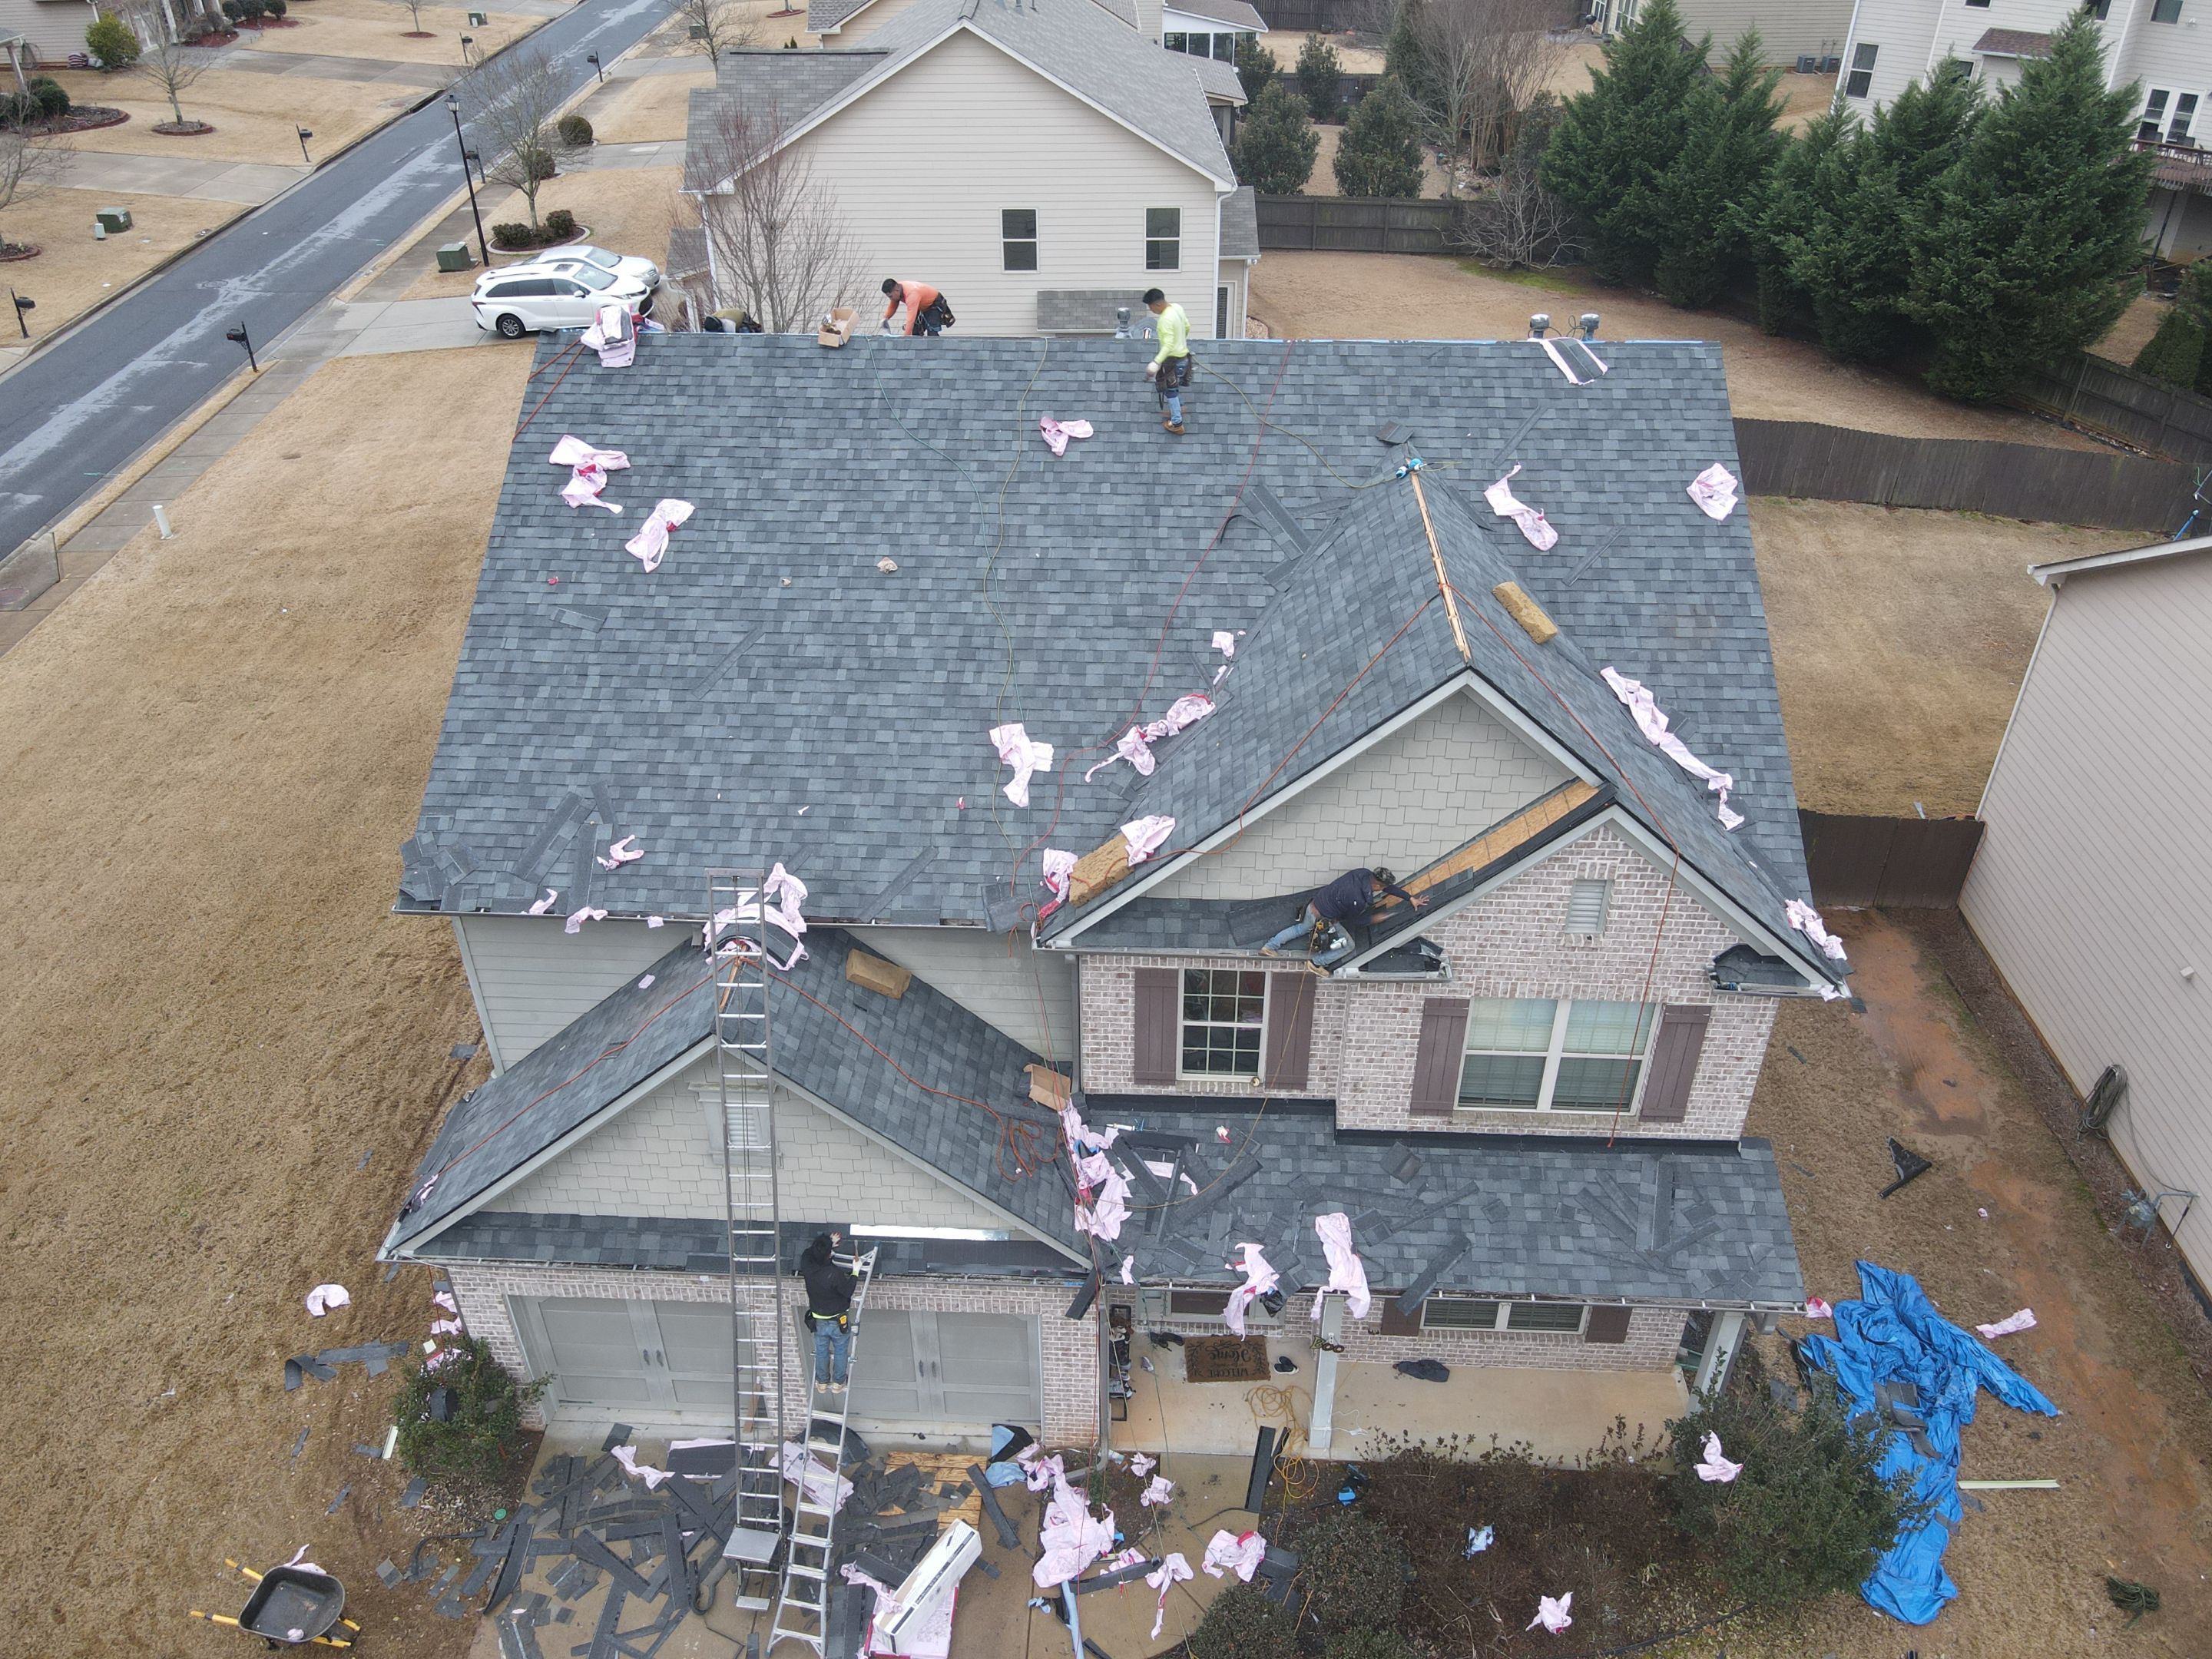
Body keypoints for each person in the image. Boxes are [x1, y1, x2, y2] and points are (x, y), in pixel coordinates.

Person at [1261, 867, 1426, 966]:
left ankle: (1270, 946)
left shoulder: (1363, 873)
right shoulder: (1358, 900)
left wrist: (1409, 897)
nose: (1381, 889)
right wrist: (1373, 919)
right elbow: (1352, 921)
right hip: (1322, 917)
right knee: (1348, 945)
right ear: (1376, 885)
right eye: (1381, 887)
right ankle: (1317, 963)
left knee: (1299, 929)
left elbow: (1388, 888)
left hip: (1314, 904)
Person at [801, 1231, 857, 1393]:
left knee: (822, 1352)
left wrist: (827, 1243)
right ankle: (838, 1383)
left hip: (818, 1321)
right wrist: (855, 1272)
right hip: (837, 1321)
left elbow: (808, 1252)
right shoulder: (833, 1274)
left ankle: (822, 1383)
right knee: (840, 1351)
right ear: (828, 1256)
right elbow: (848, 1291)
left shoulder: (807, 1265)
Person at [1142, 287, 1191, 435]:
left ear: (1157, 305)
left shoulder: (1165, 319)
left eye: (1151, 307)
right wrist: (1180, 341)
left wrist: (1156, 363)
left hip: (1173, 361)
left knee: (1171, 391)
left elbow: (1168, 345)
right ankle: (1179, 407)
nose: (1151, 311)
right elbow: (1187, 327)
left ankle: (1177, 423)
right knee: (1174, 388)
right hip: (1184, 357)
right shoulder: (1177, 308)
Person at [881, 278, 950, 336]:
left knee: (932, 334)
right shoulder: (897, 289)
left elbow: (911, 319)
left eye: (891, 296)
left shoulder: (912, 294)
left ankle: (935, 350)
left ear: (897, 291)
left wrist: (904, 339)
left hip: (934, 304)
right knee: (915, 332)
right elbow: (893, 306)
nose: (891, 299)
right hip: (921, 305)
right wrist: (885, 318)